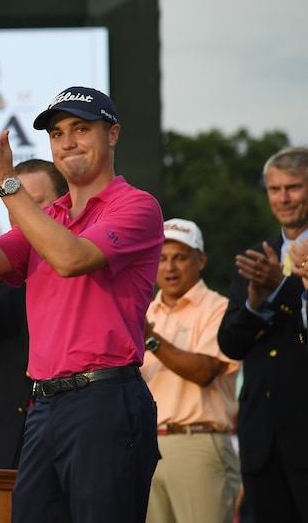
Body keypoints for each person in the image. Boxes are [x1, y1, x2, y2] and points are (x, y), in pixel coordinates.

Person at [0, 86, 163, 522]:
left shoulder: (137, 206)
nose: (67, 141)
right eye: (57, 133)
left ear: (113, 135)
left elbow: (71, 258)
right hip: (45, 404)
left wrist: (9, 184)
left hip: (104, 398)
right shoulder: (49, 218)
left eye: (81, 129)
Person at [217, 145, 308, 521]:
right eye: (274, 189)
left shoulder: (267, 267)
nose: (283, 198)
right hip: (261, 440)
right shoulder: (257, 257)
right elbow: (230, 345)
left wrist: (281, 290)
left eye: (294, 187)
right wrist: (255, 303)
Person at [142, 218, 241, 522]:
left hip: (197, 442)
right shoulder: (142, 309)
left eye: (181, 258)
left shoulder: (220, 308)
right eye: (161, 258)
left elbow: (205, 371)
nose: (170, 268)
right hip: (144, 446)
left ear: (202, 260)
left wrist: (150, 338)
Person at [0, 158, 68, 470]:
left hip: (67, 429)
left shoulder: (80, 261)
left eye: (36, 203)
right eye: (15, 204)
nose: (25, 214)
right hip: (4, 433)